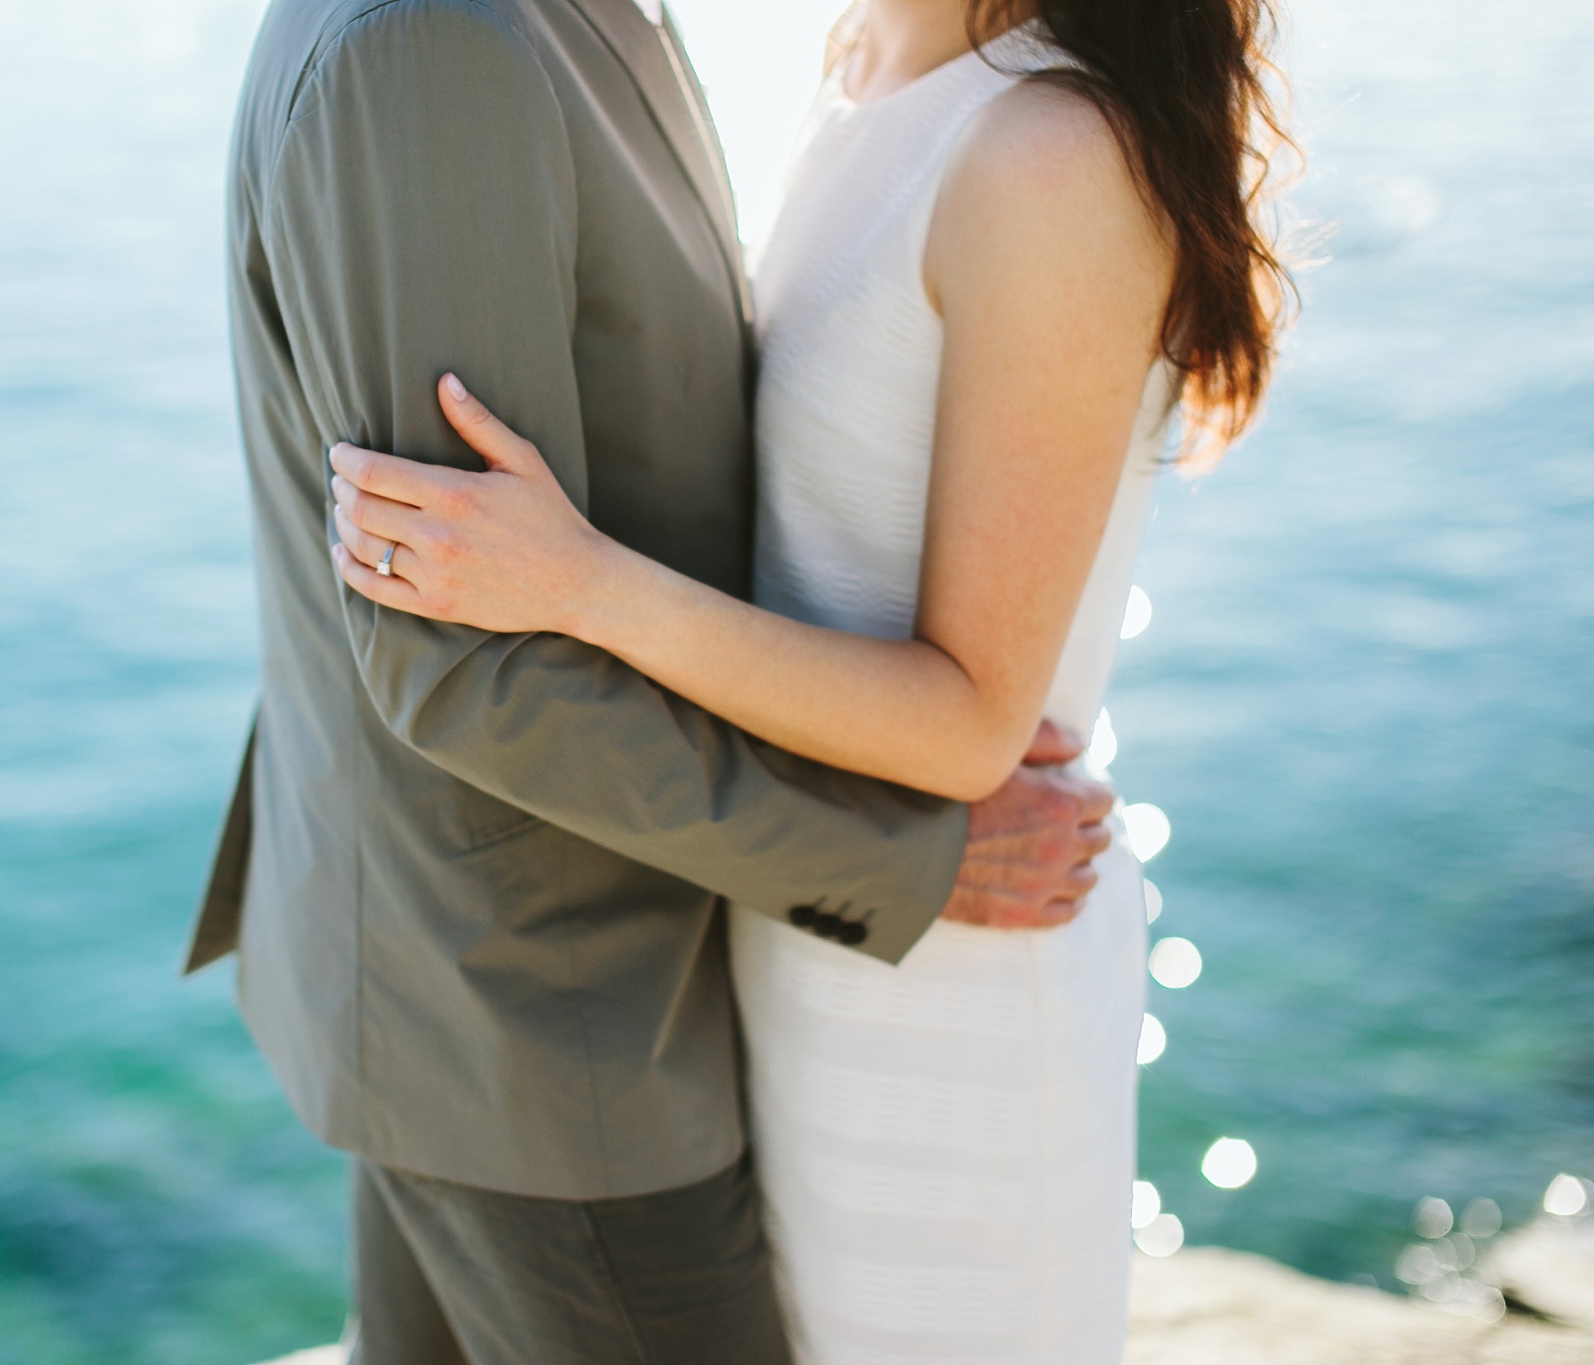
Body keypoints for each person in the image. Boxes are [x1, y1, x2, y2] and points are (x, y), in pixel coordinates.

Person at [182, 0, 1171, 1359]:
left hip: (595, 980)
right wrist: (898, 859)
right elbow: (468, 659)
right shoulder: (435, 46)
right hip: (544, 1006)